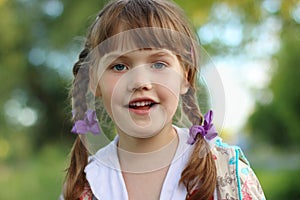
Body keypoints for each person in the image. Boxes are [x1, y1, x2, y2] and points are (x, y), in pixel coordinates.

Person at [62, 0, 265, 200]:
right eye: (119, 66)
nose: (140, 82)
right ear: (95, 82)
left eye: (158, 64)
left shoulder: (224, 172)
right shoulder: (83, 187)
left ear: (185, 76)